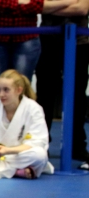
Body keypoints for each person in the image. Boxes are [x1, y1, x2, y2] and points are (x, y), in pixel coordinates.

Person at [0, 0, 76, 97]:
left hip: (26, 38)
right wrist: (22, 3)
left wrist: (17, 4)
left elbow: (37, 4)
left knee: (22, 88)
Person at [35, 0, 89, 168]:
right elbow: (40, 7)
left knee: (78, 95)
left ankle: (77, 145)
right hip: (48, 39)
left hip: (79, 41)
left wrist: (53, 7)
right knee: (45, 95)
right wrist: (69, 3)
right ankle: (41, 142)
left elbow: (82, 9)